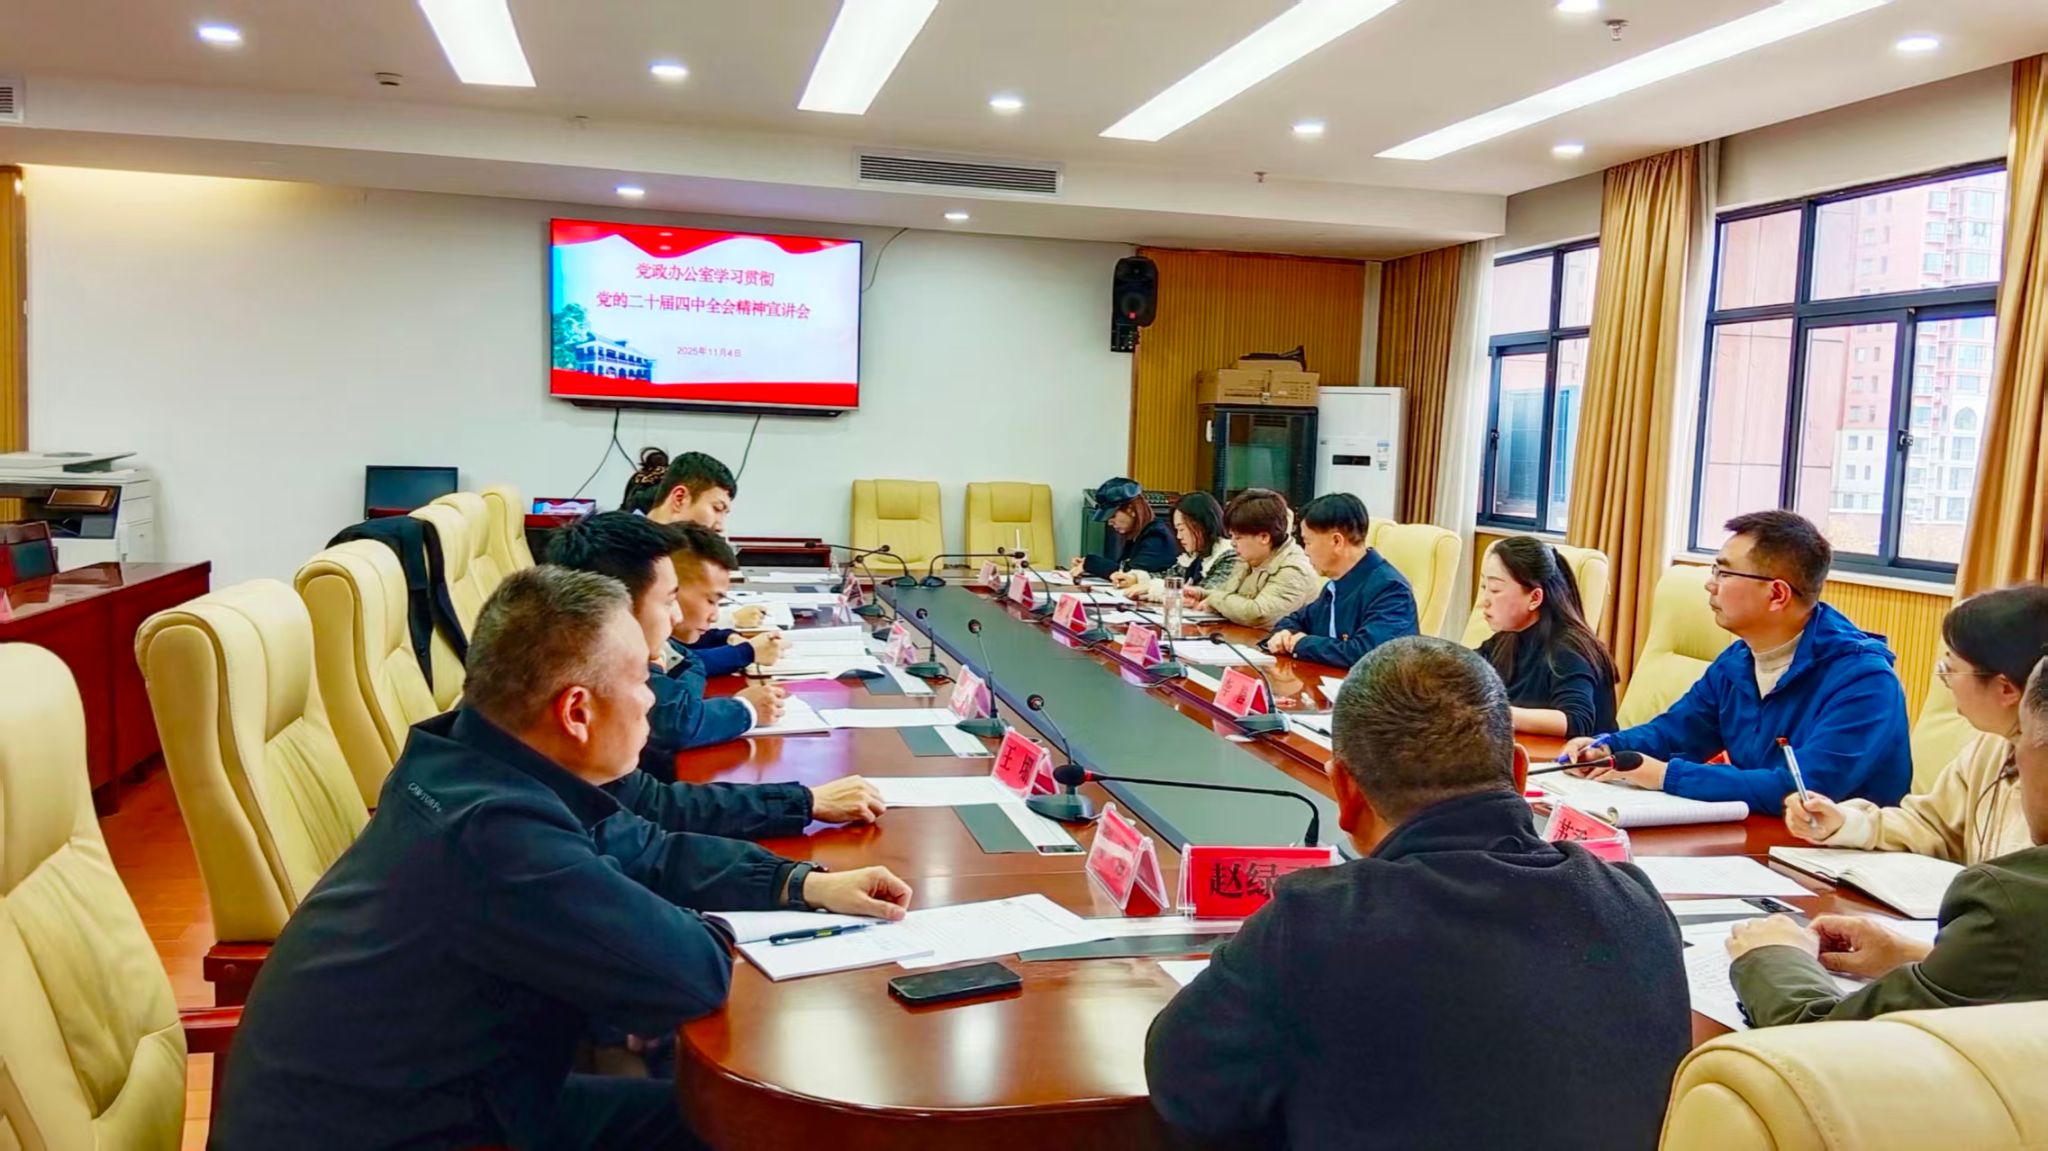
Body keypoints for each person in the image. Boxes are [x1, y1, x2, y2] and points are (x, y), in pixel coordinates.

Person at [211, 566, 913, 1151]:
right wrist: (657, 939)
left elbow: (644, 847)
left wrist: (801, 882)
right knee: (766, 1127)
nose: (654, 699)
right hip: (415, 1127)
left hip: (438, 1093)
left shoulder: (462, 757)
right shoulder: (497, 836)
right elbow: (691, 974)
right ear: (577, 711)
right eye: (643, 679)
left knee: (711, 1114)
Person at [1146, 637, 1688, 1149]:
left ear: (1344, 790)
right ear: (1519, 773)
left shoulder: (1315, 924)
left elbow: (1187, 1092)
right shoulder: (1634, 901)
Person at [1725, 654, 2048, 1025]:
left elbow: (1823, 1038)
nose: (2014, 758)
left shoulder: (2012, 904)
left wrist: (1773, 955)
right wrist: (1914, 957)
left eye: (2022, 739)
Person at [548, 513, 883, 830]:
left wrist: (798, 850)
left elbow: (645, 811)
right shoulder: (591, 692)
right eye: (668, 601)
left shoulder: (582, 664)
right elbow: (658, 793)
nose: (677, 616)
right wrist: (804, 802)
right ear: (617, 608)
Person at [1564, 509, 1911, 812]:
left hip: (1837, 857)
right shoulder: (1738, 660)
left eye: (1724, 573)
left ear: (1777, 594)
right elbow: (1676, 732)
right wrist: (1608, 747)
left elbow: (1804, 789)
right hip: (1755, 837)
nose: (1710, 585)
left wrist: (1666, 776)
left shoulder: (1864, 682)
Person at [1781, 584, 2048, 865]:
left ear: (2005, 689)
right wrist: (1846, 823)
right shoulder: (1991, 745)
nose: (1944, 681)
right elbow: (1933, 825)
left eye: (1949, 669)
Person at [641, 450, 784, 678]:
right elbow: (665, 662)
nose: (720, 526)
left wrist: (723, 637)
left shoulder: (657, 544)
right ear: (680, 498)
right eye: (717, 509)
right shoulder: (627, 554)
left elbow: (673, 645)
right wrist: (744, 652)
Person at [1474, 535, 1618, 738]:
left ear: (1534, 598)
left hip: (1574, 757)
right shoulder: (1505, 639)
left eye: (1495, 590)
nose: (1485, 601)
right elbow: (1466, 669)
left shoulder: (1569, 649)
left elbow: (1577, 720)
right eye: (1484, 587)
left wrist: (1496, 713)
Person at [1265, 493, 1417, 669]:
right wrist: (1285, 634)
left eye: (1308, 542)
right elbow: (1296, 620)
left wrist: (1302, 644)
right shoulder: (1335, 585)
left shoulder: (1390, 589)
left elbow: (1369, 655)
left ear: (1337, 541)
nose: (1305, 551)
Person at [1186, 487, 1319, 629]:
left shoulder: (1294, 569)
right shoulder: (1250, 558)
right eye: (1231, 536)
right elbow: (1229, 597)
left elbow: (1259, 614)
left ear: (1264, 537)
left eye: (1238, 537)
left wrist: (1214, 600)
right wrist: (1202, 595)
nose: (1233, 543)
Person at [1121, 491, 1236, 602]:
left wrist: (1153, 589)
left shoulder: (1228, 556)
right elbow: (1168, 576)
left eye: (1182, 529)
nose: (1178, 536)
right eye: (1176, 530)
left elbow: (1205, 594)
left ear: (1201, 526)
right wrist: (1135, 578)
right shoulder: (1194, 556)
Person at [1069, 476, 1176, 579]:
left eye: (1112, 516)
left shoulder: (1157, 535)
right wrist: (1087, 565)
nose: (1110, 523)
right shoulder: (1136, 535)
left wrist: (1092, 564)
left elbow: (1131, 574)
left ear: (1131, 510)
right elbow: (1120, 566)